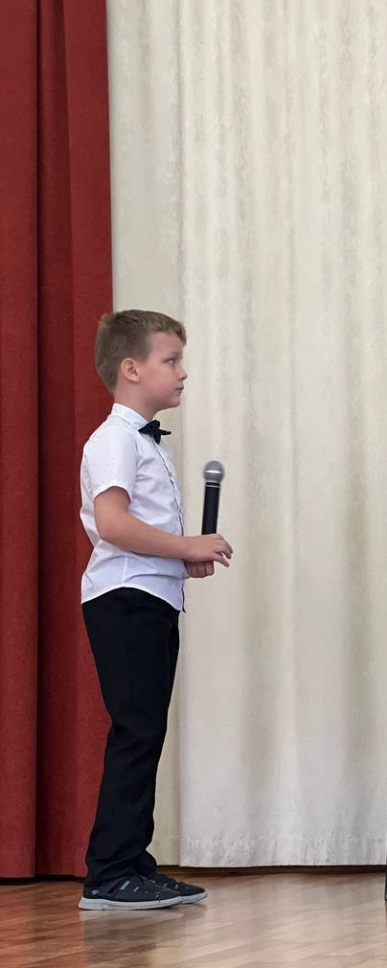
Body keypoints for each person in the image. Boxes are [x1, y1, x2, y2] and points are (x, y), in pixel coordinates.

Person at [78, 310, 233, 910]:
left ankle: (131, 861)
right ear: (132, 369)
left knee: (146, 730)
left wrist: (179, 557)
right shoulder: (115, 438)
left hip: (149, 595)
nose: (182, 372)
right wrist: (184, 546)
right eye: (171, 360)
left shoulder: (143, 440)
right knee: (137, 730)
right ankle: (110, 872)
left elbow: (139, 527)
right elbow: (113, 524)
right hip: (125, 597)